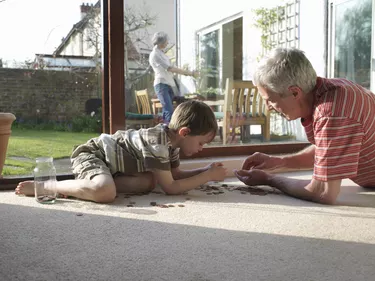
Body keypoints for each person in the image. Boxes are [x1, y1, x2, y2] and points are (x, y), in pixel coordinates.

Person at [234, 47, 375, 205]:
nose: (268, 107)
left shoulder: (333, 112)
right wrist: (279, 162)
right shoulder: (330, 91)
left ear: (295, 92)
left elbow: (323, 192)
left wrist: (269, 179)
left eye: (270, 100)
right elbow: (329, 149)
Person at [16, 100, 227, 203]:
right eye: (201, 143)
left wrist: (205, 169)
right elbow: (171, 188)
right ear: (184, 132)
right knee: (105, 193)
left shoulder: (172, 145)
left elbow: (176, 176)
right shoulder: (158, 142)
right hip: (94, 154)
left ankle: (84, 187)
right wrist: (207, 176)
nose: (201, 149)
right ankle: (48, 186)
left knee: (148, 181)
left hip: (115, 167)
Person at [149, 31, 198, 123]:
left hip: (169, 84)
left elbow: (173, 67)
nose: (167, 43)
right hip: (161, 84)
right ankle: (169, 132)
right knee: (168, 109)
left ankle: (165, 130)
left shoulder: (163, 54)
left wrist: (187, 72)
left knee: (168, 109)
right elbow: (170, 68)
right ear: (161, 41)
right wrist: (189, 73)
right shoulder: (155, 54)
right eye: (166, 41)